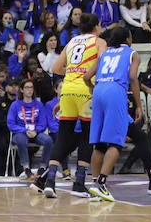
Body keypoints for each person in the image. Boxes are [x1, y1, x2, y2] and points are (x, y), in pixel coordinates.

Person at [36, 12, 104, 200]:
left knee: (63, 137)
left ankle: (50, 182)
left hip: (67, 90)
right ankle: (79, 183)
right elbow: (103, 62)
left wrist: (74, 69)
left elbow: (56, 69)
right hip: (86, 90)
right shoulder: (98, 41)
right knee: (87, 136)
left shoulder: (72, 42)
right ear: (96, 26)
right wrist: (86, 71)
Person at [82, 25, 141, 202]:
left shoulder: (104, 53)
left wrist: (94, 89)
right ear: (128, 39)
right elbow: (132, 77)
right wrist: (138, 105)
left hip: (99, 89)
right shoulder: (132, 53)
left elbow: (86, 77)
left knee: (99, 143)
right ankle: (101, 184)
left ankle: (95, 184)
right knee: (116, 141)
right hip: (115, 91)